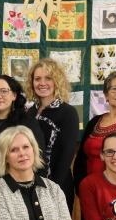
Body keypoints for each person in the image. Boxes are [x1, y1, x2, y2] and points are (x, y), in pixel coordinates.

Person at [25, 58, 80, 210]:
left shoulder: (68, 112)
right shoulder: (30, 112)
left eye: (48, 78)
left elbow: (66, 154)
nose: (42, 83)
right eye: (37, 79)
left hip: (57, 186)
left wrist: (51, 188)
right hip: (30, 185)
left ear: (57, 81)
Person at [0, 74, 45, 188]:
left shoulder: (27, 124)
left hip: (18, 192)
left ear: (14, 95)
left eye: (4, 91)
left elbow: (39, 161)